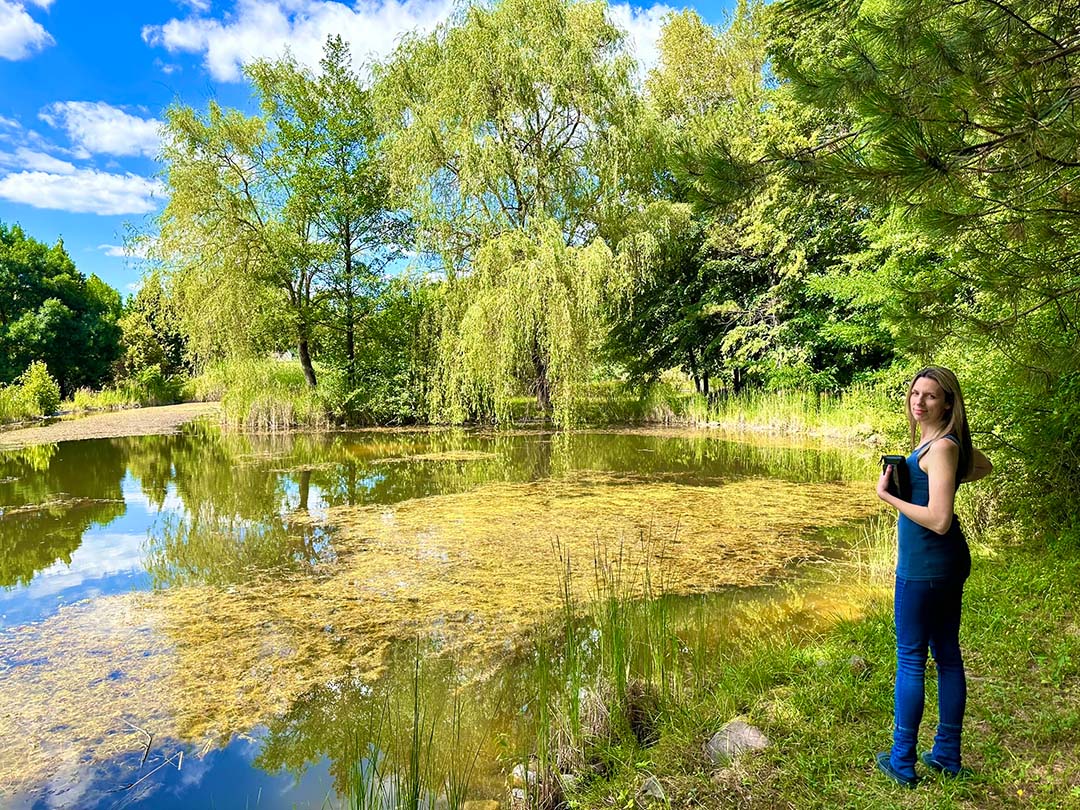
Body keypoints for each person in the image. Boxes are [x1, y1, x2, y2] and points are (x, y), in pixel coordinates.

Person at [874, 366, 992, 788]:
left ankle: (902, 760)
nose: (919, 402)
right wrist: (945, 474)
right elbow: (983, 464)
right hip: (944, 566)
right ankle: (945, 753)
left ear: (948, 403)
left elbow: (940, 519)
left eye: (930, 396)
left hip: (925, 569)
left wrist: (890, 497)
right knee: (946, 656)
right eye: (915, 394)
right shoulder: (942, 444)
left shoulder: (940, 447)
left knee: (912, 659)